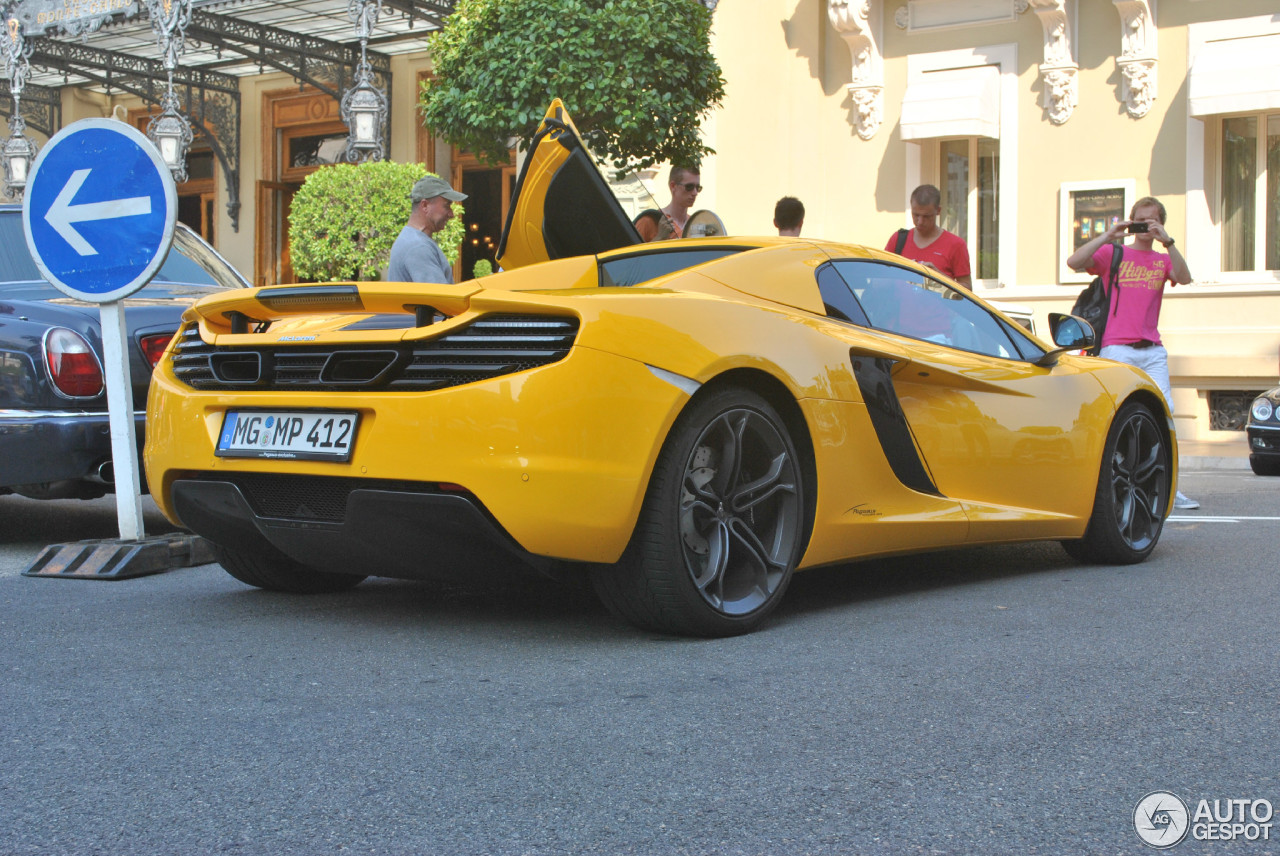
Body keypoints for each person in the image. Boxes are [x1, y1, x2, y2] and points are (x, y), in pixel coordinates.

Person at [1066, 195, 1198, 510]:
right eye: (1140, 220)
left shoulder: (1163, 259)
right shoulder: (1114, 253)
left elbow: (1184, 277)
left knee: (1164, 416)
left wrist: (1169, 242)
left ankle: (1167, 487)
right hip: (1117, 348)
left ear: (1160, 224)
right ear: (1131, 220)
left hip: (1152, 350)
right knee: (1116, 416)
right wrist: (1108, 236)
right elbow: (1073, 262)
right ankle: (1112, 483)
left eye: (1152, 221)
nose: (1145, 227)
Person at [884, 184, 972, 289]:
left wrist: (938, 278)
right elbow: (879, 279)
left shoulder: (956, 245)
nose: (920, 222)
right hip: (900, 306)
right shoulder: (898, 240)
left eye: (926, 216)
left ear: (938, 211)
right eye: (916, 215)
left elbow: (967, 290)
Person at [387, 175, 467, 284]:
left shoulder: (412, 239)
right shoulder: (417, 247)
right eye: (447, 205)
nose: (452, 214)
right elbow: (440, 298)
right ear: (425, 205)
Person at [635, 165, 701, 242]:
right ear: (673, 186)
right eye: (689, 187)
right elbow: (630, 252)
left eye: (698, 188)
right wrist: (660, 237)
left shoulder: (696, 225)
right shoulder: (649, 221)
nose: (695, 193)